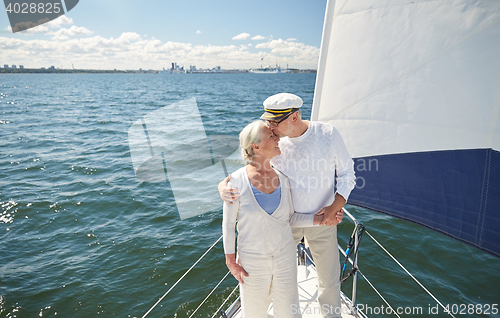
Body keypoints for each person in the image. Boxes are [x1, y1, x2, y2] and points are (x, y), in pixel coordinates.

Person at [220, 93, 356, 318]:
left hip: (322, 219)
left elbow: (347, 174)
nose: (268, 126)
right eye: (268, 121)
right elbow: (248, 164)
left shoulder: (327, 134)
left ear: (293, 117)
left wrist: (335, 207)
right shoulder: (273, 142)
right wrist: (222, 187)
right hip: (284, 224)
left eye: (274, 121)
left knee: (329, 281)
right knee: (275, 282)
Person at [223, 120, 323, 318]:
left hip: (285, 257)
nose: (278, 139)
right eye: (271, 136)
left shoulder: (283, 179)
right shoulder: (235, 182)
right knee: (254, 313)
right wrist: (230, 261)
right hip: (252, 262)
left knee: (289, 312)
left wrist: (319, 219)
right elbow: (227, 226)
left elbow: (290, 218)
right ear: (256, 146)